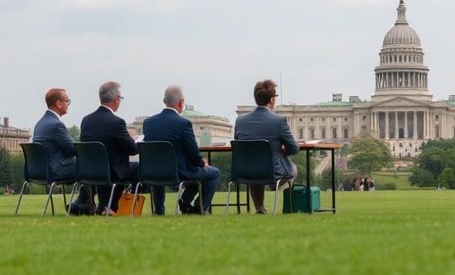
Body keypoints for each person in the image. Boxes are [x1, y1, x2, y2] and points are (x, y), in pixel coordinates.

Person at [142, 85, 220, 215]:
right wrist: (202, 163)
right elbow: (193, 154)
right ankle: (199, 208)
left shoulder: (148, 123)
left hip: (154, 170)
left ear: (164, 101)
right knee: (212, 173)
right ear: (181, 102)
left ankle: (160, 210)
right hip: (179, 172)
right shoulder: (183, 124)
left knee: (165, 170)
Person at [233, 79, 300, 214]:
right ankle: (285, 201)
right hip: (272, 171)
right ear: (272, 100)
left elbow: (238, 142)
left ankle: (259, 208)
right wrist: (282, 149)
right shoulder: (279, 121)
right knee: (293, 170)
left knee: (255, 168)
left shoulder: (240, 120)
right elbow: (294, 149)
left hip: (245, 171)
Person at [80, 81, 138, 215]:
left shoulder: (86, 120)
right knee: (140, 169)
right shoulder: (116, 122)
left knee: (119, 169)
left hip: (90, 169)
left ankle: (106, 206)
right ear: (116, 99)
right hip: (113, 170)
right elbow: (132, 150)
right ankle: (125, 208)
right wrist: (132, 139)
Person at [32, 88, 93, 213]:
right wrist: (93, 150)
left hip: (42, 170)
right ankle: (100, 206)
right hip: (57, 170)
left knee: (89, 167)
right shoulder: (55, 125)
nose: (68, 104)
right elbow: (73, 149)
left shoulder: (40, 123)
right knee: (95, 167)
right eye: (67, 101)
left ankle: (81, 205)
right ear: (58, 103)